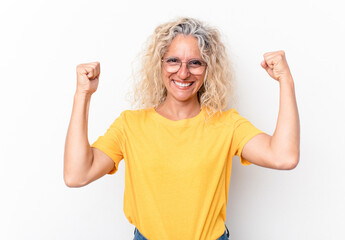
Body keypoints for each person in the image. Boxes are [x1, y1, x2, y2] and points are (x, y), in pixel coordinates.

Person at [64, 17, 300, 240]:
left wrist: (286, 81)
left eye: (195, 63)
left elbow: (284, 157)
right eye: (173, 60)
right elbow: (76, 175)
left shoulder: (227, 124)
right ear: (160, 64)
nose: (184, 72)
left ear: (208, 69)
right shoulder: (130, 125)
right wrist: (83, 94)